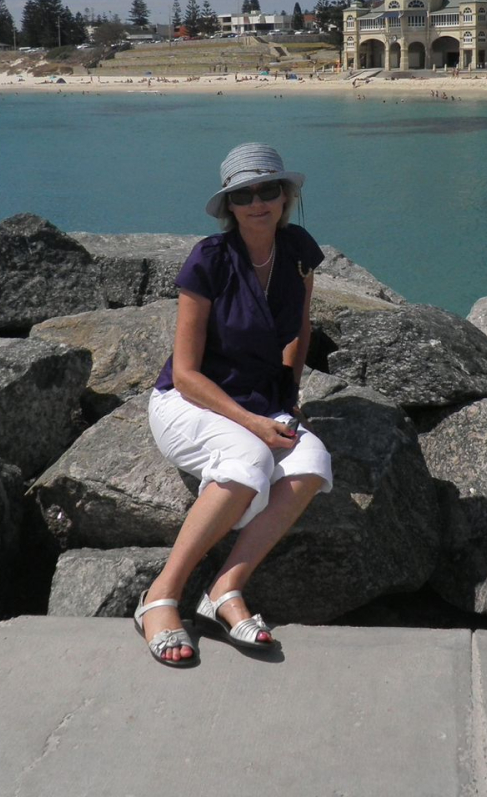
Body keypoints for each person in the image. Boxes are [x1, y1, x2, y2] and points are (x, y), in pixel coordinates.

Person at [133, 143, 333, 667]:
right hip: (189, 402)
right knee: (249, 464)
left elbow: (300, 328)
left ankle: (225, 589)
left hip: (261, 399)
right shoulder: (209, 260)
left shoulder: (298, 251)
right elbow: (185, 373)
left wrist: (286, 404)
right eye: (244, 194)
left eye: (269, 189)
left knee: (312, 463)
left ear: (286, 197)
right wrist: (253, 424)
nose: (258, 202)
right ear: (229, 205)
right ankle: (161, 595)